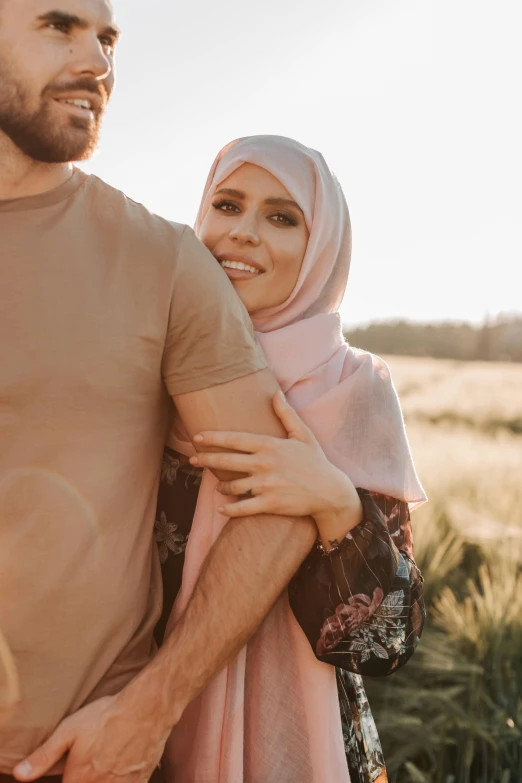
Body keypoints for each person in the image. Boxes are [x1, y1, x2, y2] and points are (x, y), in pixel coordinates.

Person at [0, 2, 344, 782]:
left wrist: (150, 707)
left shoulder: (161, 260)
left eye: (108, 38)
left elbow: (280, 508)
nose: (97, 61)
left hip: (66, 761)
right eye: (59, 25)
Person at [155, 136, 427, 783]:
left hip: (294, 744)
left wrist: (336, 503)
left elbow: (384, 644)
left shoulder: (352, 391)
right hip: (128, 719)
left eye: (281, 217)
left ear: (321, 248)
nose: (242, 232)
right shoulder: (147, 366)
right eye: (226, 205)